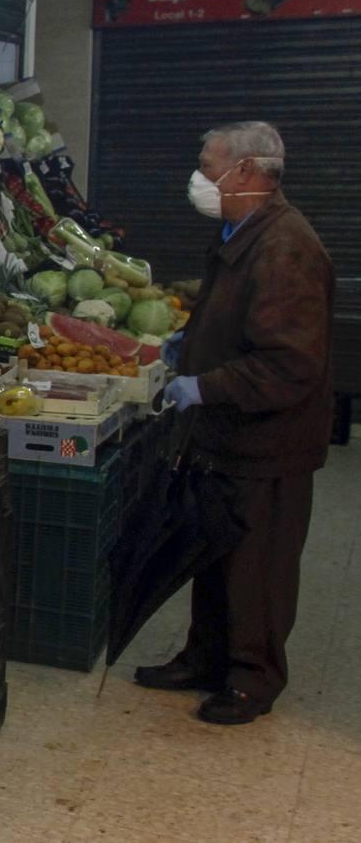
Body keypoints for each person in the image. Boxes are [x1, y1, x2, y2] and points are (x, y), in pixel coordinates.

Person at [139, 121, 334, 725]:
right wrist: (190, 343)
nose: (199, 176)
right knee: (218, 554)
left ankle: (253, 678)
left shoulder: (285, 248)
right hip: (229, 437)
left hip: (269, 441)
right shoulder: (244, 233)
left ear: (247, 171)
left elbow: (289, 362)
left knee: (259, 566)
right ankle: (207, 657)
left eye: (208, 164)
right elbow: (237, 319)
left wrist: (204, 384)